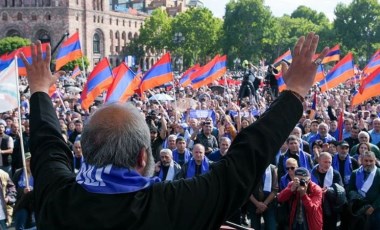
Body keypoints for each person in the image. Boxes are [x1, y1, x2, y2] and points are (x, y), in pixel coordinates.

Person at [21, 33, 329, 228]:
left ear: (84, 151)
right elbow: (242, 165)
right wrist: (295, 93)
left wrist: (38, 90)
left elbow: (47, 147)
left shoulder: (57, 199)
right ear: (143, 157)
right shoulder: (170, 205)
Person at [310, 152, 344, 230]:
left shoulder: (335, 174)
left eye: (329, 162)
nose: (327, 164)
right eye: (325, 162)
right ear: (319, 161)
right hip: (315, 206)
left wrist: (329, 190)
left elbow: (341, 190)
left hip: (330, 207)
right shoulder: (312, 173)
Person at [348, 151, 380, 230]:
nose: (368, 163)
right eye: (366, 161)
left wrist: (373, 207)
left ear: (375, 161)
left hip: (376, 210)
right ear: (361, 161)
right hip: (359, 209)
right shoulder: (355, 173)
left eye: (371, 161)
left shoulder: (379, 173)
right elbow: (350, 189)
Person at [248, 164, 278, 230]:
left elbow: (275, 190)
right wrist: (257, 204)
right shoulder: (251, 168)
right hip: (253, 204)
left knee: (271, 227)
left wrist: (264, 204)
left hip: (269, 204)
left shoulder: (273, 169)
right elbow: (247, 189)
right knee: (254, 228)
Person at [12, 152, 36, 230]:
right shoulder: (18, 173)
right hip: (21, 205)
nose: (30, 163)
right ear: (24, 162)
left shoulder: (39, 173)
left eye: (32, 160)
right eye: (28, 160)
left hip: (35, 206)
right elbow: (13, 190)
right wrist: (22, 191)